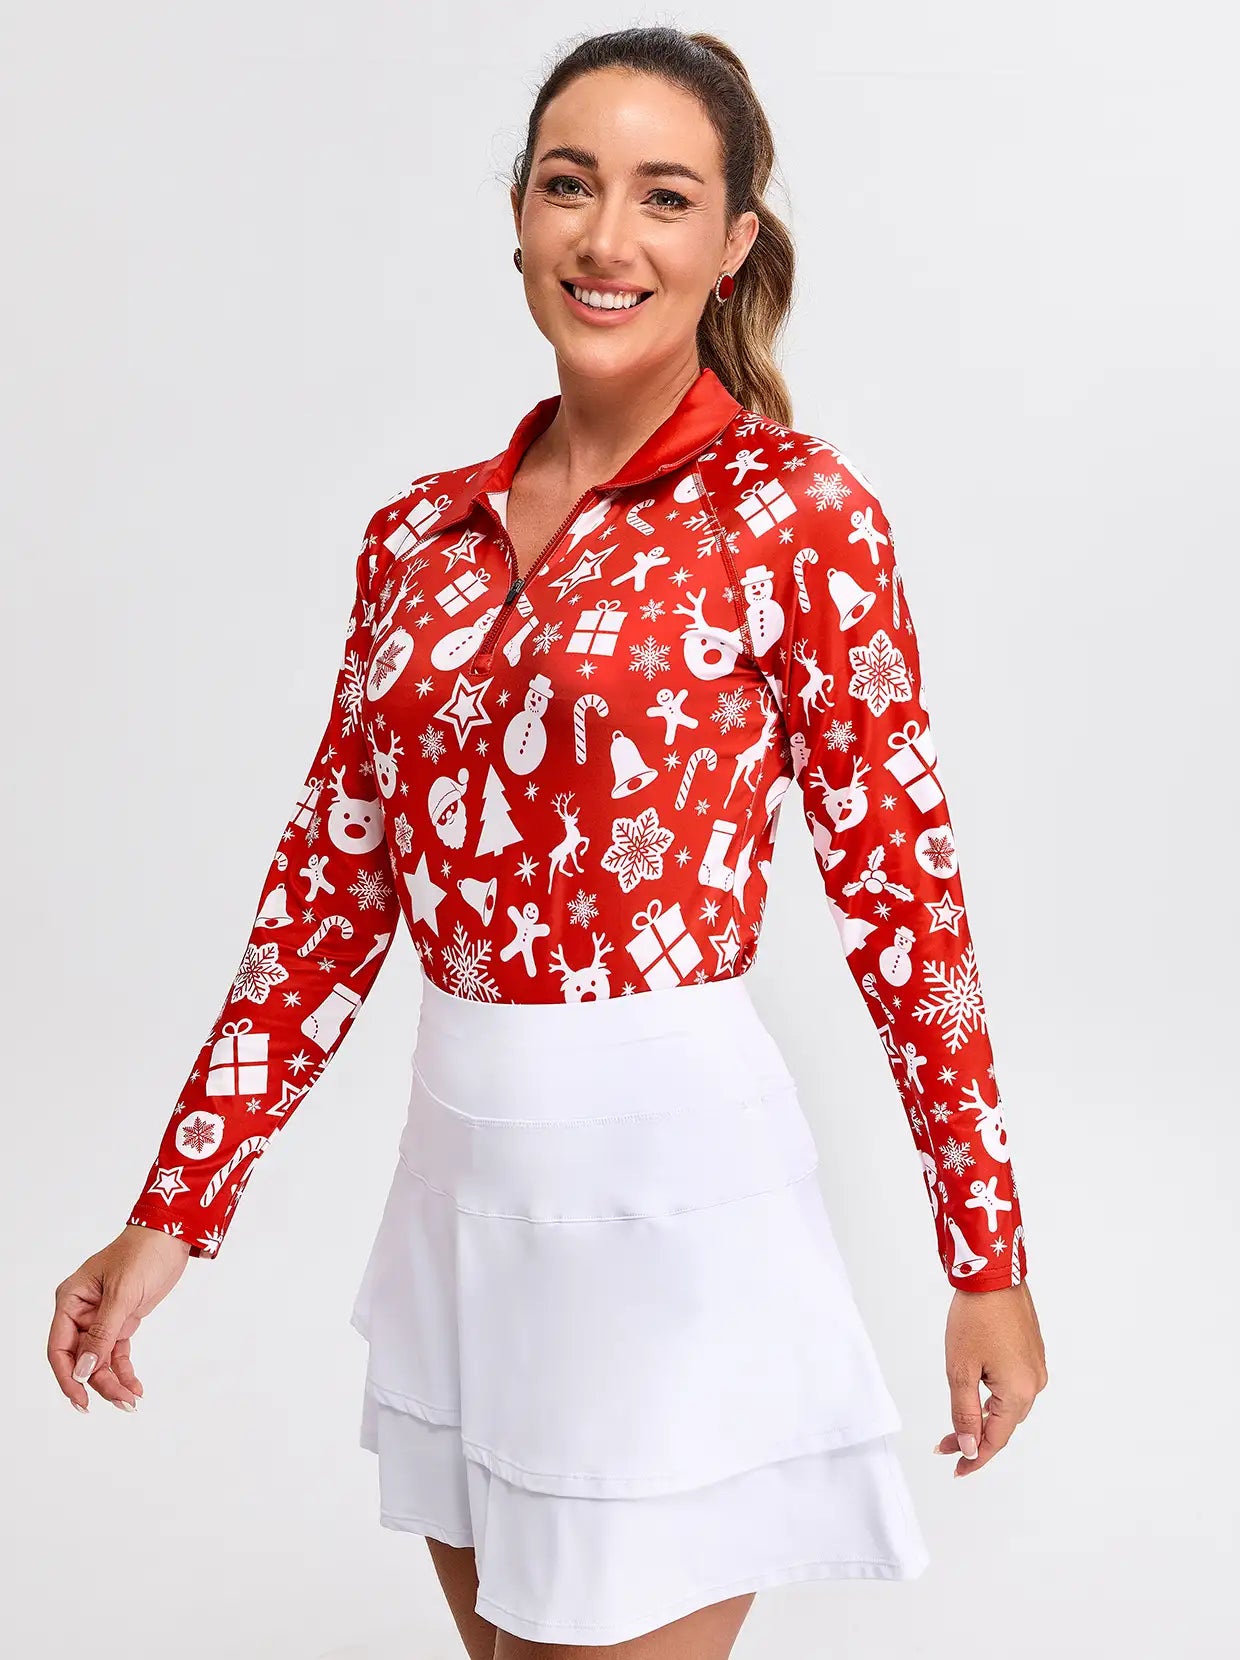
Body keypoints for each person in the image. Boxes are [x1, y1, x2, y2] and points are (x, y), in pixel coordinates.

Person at [48, 25, 1048, 1660]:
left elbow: (906, 900)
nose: (608, 237)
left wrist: (984, 1252)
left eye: (666, 197)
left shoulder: (794, 515)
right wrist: (171, 1215)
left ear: (733, 243)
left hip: (667, 1202)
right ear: (518, 212)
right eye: (571, 185)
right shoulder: (416, 539)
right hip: (460, 1199)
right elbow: (327, 893)